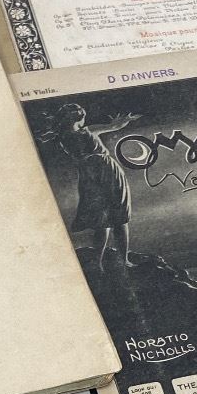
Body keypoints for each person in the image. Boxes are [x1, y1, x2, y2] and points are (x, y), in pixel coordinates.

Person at [46, 101, 137, 272]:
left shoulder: (73, 134)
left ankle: (117, 260)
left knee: (111, 217)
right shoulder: (75, 134)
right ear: (78, 118)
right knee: (105, 218)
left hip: (103, 172)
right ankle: (104, 262)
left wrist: (123, 121)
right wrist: (121, 122)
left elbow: (113, 126)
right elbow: (112, 126)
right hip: (97, 173)